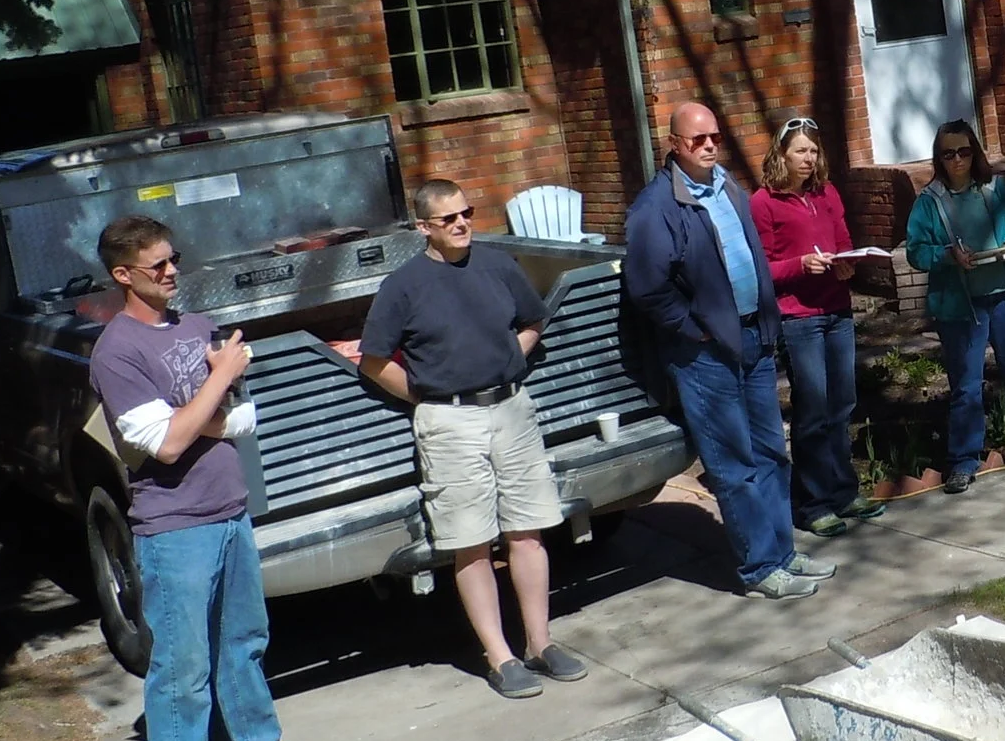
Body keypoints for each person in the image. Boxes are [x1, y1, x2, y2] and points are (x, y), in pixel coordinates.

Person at [89, 216, 332, 741]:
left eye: (174, 259)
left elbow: (235, 421)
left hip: (229, 511)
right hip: (175, 529)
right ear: (123, 274)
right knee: (182, 675)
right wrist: (217, 381)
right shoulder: (117, 352)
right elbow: (164, 441)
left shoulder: (195, 328)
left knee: (243, 643)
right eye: (157, 265)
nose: (172, 272)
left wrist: (206, 405)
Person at [361, 180, 590, 698]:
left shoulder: (498, 265)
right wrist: (426, 396)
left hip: (511, 410)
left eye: (467, 213)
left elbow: (533, 321)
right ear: (424, 228)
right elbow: (374, 362)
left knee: (529, 531)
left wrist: (511, 357)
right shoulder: (403, 285)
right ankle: (500, 656)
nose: (462, 224)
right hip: (450, 423)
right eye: (449, 219)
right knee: (471, 543)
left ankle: (540, 643)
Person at [625, 103, 832, 601]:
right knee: (734, 463)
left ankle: (782, 553)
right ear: (675, 145)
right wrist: (694, 330)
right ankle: (759, 566)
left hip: (754, 341)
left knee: (770, 454)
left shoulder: (727, 187)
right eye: (698, 140)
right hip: (704, 355)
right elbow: (648, 290)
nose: (710, 145)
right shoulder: (656, 208)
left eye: (715, 136)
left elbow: (752, 257)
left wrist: (766, 322)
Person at [750, 117, 886, 538]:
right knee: (813, 410)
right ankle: (812, 503)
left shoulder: (826, 192)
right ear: (781, 155)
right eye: (800, 151)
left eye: (813, 151)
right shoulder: (764, 202)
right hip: (798, 317)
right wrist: (800, 265)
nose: (808, 159)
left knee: (842, 405)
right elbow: (762, 269)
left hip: (836, 310)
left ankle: (844, 491)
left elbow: (843, 241)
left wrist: (847, 264)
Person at [903, 119, 1005, 495]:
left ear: (975, 152)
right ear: (939, 158)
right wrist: (947, 255)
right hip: (960, 307)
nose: (957, 159)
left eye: (964, 151)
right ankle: (963, 460)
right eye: (948, 153)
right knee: (967, 387)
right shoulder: (929, 201)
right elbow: (916, 252)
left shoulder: (995, 189)